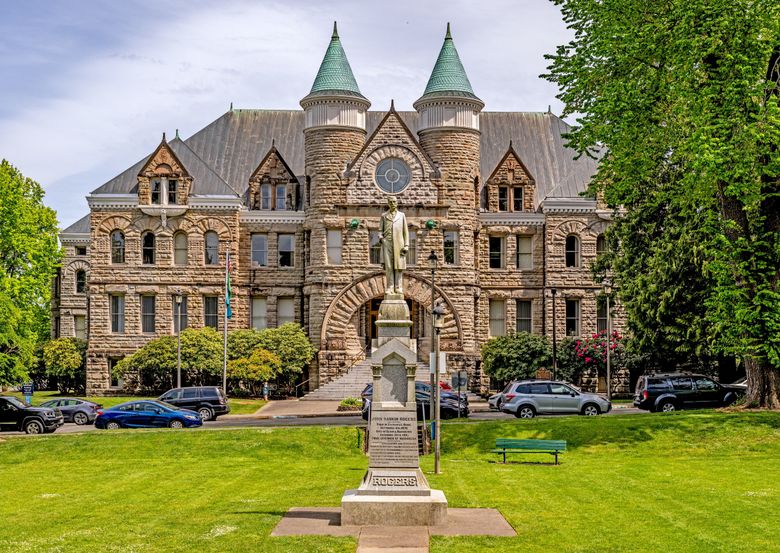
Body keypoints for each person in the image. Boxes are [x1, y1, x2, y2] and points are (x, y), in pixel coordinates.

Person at [379, 196, 409, 295]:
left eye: (394, 202)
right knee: (389, 266)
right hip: (387, 243)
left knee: (398, 266)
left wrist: (406, 245)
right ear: (388, 203)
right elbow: (380, 231)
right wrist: (381, 238)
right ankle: (390, 287)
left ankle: (398, 287)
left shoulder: (402, 215)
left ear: (397, 203)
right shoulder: (384, 215)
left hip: (399, 244)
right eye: (390, 202)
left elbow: (406, 232)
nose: (392, 203)